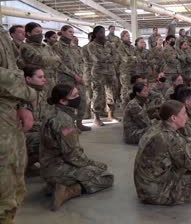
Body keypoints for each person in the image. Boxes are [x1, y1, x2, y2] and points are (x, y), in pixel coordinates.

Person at [41, 84, 114, 211]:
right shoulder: (64, 121)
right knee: (106, 176)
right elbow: (72, 156)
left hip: (49, 164)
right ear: (63, 101)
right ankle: (69, 190)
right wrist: (92, 164)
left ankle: (54, 184)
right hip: (58, 168)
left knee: (96, 168)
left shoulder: (53, 111)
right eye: (74, 96)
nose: (78, 98)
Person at [0, 22, 37, 223]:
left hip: (9, 111)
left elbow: (13, 65)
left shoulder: (2, 31)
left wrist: (23, 104)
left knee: (14, 172)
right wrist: (27, 92)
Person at [53, 25, 91, 132]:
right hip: (66, 79)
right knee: (69, 103)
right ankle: (69, 125)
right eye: (69, 31)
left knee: (82, 101)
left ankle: (79, 123)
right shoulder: (57, 47)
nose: (72, 34)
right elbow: (59, 64)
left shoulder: (74, 47)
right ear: (63, 32)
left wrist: (82, 75)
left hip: (79, 79)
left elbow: (81, 62)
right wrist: (74, 75)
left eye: (72, 32)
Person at [20, 22, 63, 97]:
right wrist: (54, 58)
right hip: (36, 85)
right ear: (29, 33)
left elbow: (58, 62)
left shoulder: (45, 47)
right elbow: (40, 60)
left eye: (41, 32)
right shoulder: (25, 47)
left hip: (52, 81)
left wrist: (52, 60)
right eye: (37, 32)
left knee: (51, 104)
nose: (40, 34)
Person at [87, 26, 118, 126]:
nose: (103, 34)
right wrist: (109, 57)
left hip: (110, 72)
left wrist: (107, 58)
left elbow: (116, 57)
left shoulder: (109, 44)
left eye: (103, 32)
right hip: (98, 73)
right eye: (100, 32)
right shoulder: (91, 46)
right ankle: (96, 117)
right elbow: (97, 58)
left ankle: (110, 114)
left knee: (112, 93)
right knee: (98, 94)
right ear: (95, 34)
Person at [23, 66, 47, 174]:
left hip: (36, 129)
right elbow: (24, 124)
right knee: (48, 140)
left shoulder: (40, 92)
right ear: (28, 79)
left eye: (44, 76)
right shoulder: (22, 94)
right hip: (23, 133)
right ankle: (24, 166)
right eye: (40, 77)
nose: (44, 79)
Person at [116, 30, 137, 108]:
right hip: (125, 71)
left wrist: (133, 58)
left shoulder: (132, 47)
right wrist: (133, 58)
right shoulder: (120, 47)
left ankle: (132, 105)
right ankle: (124, 106)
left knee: (133, 88)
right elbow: (125, 59)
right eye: (127, 36)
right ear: (122, 37)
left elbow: (137, 57)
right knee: (125, 88)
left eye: (129, 35)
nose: (128, 37)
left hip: (133, 70)